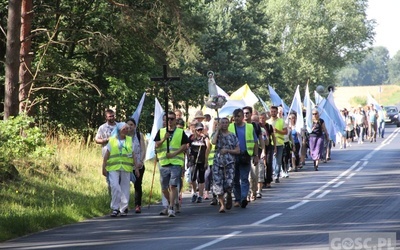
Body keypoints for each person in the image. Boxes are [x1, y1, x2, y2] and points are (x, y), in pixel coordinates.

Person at [154, 111, 190, 217]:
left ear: (175, 120)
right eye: (168, 119)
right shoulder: (161, 132)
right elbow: (156, 145)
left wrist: (174, 153)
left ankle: (171, 207)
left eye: (172, 119)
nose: (170, 121)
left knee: (173, 185)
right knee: (164, 187)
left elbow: (184, 146)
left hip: (176, 162)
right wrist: (164, 138)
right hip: (164, 162)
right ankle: (172, 202)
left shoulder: (180, 132)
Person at [102, 122, 135, 217]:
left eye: (127, 129)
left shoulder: (129, 140)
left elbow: (133, 155)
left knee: (125, 188)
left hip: (126, 167)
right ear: (119, 130)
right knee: (115, 186)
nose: (126, 131)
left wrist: (136, 167)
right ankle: (115, 208)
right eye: (124, 129)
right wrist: (103, 167)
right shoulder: (112, 140)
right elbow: (106, 155)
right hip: (113, 167)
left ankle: (123, 208)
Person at [229, 109, 258, 208]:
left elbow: (255, 142)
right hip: (233, 157)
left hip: (245, 156)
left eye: (239, 116)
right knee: (235, 179)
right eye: (235, 116)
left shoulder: (250, 127)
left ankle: (243, 198)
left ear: (242, 117)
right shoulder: (230, 127)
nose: (236, 118)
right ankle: (237, 199)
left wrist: (255, 155)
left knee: (244, 178)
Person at [211, 117, 240, 213]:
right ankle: (222, 204)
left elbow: (237, 150)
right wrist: (217, 130)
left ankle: (228, 194)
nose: (224, 124)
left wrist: (227, 150)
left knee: (229, 183)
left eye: (226, 123)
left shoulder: (232, 136)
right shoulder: (217, 135)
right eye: (222, 123)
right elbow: (213, 142)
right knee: (218, 184)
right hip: (218, 162)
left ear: (228, 124)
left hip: (229, 162)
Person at [243, 106, 264, 201]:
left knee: (254, 175)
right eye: (244, 113)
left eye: (247, 113)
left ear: (251, 114)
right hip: (243, 155)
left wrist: (262, 151)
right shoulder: (240, 125)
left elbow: (260, 139)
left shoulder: (255, 126)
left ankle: (253, 191)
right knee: (245, 176)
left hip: (254, 154)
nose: (245, 115)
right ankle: (247, 194)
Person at [126, 118, 146, 214]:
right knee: (125, 185)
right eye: (128, 125)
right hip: (127, 165)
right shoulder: (123, 136)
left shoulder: (139, 136)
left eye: (131, 125)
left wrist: (141, 161)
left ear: (135, 126)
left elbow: (143, 149)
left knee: (137, 185)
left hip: (138, 164)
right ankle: (124, 205)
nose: (130, 127)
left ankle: (137, 205)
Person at [95, 109, 117, 194]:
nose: (112, 118)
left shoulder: (119, 126)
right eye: (110, 116)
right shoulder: (102, 127)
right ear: (106, 117)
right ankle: (111, 196)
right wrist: (106, 140)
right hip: (107, 155)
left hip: (118, 155)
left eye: (113, 116)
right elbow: (97, 140)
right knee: (109, 178)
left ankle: (119, 198)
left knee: (118, 179)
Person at [188, 122, 211, 203]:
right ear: (195, 130)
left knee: (201, 178)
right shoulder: (191, 137)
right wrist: (188, 159)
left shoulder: (205, 138)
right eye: (198, 130)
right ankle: (194, 193)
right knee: (192, 177)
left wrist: (205, 138)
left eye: (201, 129)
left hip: (202, 160)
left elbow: (209, 147)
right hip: (193, 160)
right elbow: (187, 147)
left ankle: (200, 195)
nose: (200, 131)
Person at [267, 106, 287, 183]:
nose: (273, 113)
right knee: (271, 160)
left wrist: (278, 131)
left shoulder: (281, 121)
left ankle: (276, 175)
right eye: (272, 111)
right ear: (270, 112)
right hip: (270, 143)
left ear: (277, 112)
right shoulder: (268, 122)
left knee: (278, 161)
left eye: (275, 111)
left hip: (279, 143)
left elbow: (286, 132)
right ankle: (272, 174)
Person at [259, 111, 276, 188]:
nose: (262, 120)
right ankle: (261, 181)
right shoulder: (257, 126)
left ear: (266, 119)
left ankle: (268, 180)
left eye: (263, 118)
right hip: (260, 147)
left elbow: (273, 137)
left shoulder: (269, 126)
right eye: (260, 118)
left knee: (269, 163)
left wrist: (275, 146)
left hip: (268, 146)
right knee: (261, 164)